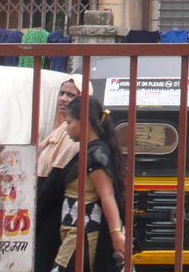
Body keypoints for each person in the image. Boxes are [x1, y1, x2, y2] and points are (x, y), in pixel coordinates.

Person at [54, 95, 132, 272]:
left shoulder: (96, 154)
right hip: (75, 233)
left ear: (84, 122)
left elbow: (107, 195)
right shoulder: (90, 151)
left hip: (82, 236)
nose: (66, 128)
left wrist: (115, 234)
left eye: (69, 122)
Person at [35, 80, 84, 272]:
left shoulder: (72, 136)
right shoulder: (60, 128)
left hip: (54, 209)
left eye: (71, 95)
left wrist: (38, 208)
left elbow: (56, 178)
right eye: (62, 93)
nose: (63, 99)